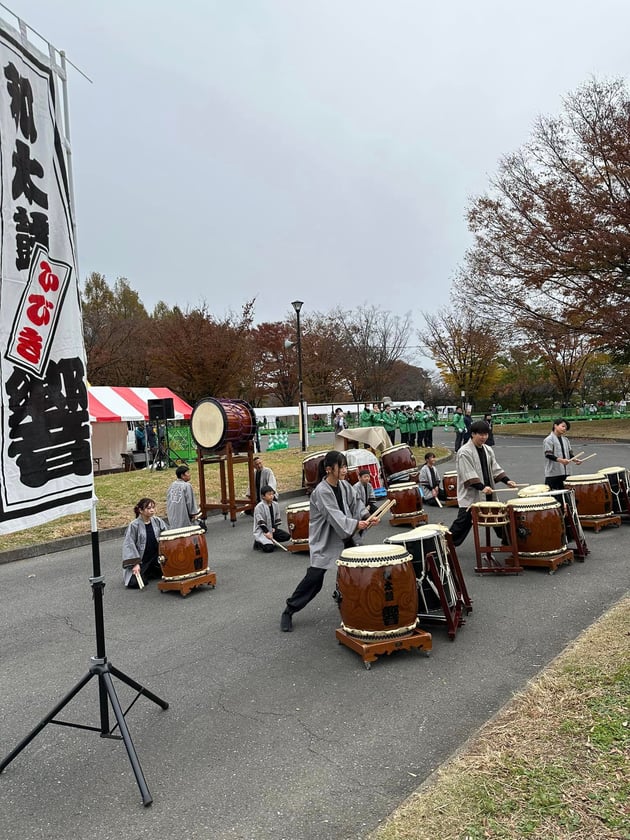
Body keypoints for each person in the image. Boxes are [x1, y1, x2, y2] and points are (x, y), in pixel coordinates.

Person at [280, 450, 377, 632]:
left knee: (357, 571)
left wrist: (367, 516)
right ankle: (289, 609)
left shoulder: (345, 486)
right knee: (314, 580)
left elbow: (356, 504)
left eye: (345, 466)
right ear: (329, 469)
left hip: (347, 536)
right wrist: (358, 524)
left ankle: (356, 609)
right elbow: (335, 517)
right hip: (326, 541)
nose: (344, 470)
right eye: (341, 466)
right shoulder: (321, 492)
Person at [449, 420, 517, 547]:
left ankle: (510, 542)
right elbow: (467, 473)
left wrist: (507, 480)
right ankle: (447, 545)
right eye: (481, 434)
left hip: (488, 492)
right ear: (473, 434)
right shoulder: (464, 452)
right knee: (463, 523)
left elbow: (495, 468)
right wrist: (481, 487)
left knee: (499, 518)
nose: (484, 437)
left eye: (486, 434)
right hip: (472, 496)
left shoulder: (488, 449)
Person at [121, 498, 167, 588]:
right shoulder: (134, 525)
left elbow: (166, 534)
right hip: (142, 560)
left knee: (173, 572)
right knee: (134, 582)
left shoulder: (157, 521)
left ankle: (152, 572)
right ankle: (147, 573)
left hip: (156, 558)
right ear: (141, 510)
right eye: (149, 508)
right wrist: (135, 564)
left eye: (153, 507)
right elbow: (129, 545)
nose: (152, 510)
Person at [543, 418, 582, 490]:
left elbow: (569, 453)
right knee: (554, 497)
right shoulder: (549, 439)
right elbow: (548, 454)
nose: (564, 429)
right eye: (563, 426)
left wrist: (575, 459)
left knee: (566, 495)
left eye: (566, 428)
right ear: (555, 426)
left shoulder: (566, 440)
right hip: (553, 474)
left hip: (566, 473)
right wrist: (561, 460)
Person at [253, 485, 290, 552]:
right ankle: (258, 543)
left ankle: (271, 540)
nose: (271, 496)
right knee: (269, 549)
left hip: (272, 529)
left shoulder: (275, 504)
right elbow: (260, 522)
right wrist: (267, 532)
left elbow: (277, 518)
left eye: (272, 494)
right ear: (263, 496)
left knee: (286, 536)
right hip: (263, 531)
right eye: (269, 494)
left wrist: (274, 528)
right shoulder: (259, 507)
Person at [166, 464, 200, 529]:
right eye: (187, 473)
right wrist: (194, 514)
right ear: (182, 475)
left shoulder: (172, 485)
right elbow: (190, 502)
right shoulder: (187, 485)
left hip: (172, 517)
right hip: (183, 516)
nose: (189, 474)